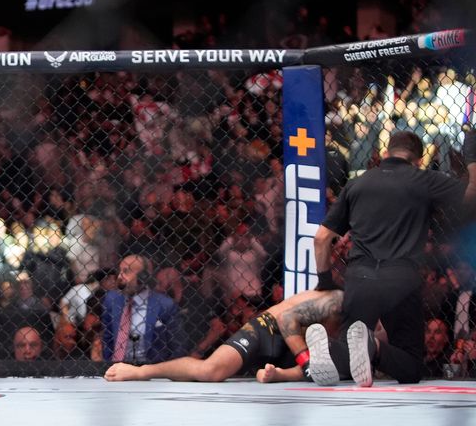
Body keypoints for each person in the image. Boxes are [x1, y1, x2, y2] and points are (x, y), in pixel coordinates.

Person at [308, 130, 476, 387]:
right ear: (418, 159)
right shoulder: (423, 179)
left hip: (360, 277)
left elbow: (321, 238)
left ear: (386, 153)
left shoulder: (358, 183)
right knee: (410, 367)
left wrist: (325, 281)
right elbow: (472, 195)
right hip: (400, 279)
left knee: (349, 347)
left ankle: (330, 351)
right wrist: (472, 154)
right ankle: (372, 346)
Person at [104, 289, 343, 383]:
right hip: (268, 329)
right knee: (211, 371)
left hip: (296, 349)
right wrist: (307, 362)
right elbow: (286, 319)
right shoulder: (336, 301)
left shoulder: (364, 319)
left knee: (328, 362)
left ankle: (276, 375)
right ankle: (141, 371)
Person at [101, 254, 186, 364]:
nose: (119, 277)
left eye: (126, 271)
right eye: (120, 271)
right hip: (118, 368)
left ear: (143, 276)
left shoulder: (164, 305)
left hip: (152, 371)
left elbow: (177, 347)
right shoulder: (112, 299)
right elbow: (107, 338)